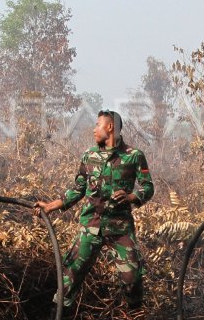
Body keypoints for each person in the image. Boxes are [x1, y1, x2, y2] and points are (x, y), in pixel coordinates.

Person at [37, 109, 154, 309]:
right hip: (91, 225)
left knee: (132, 277)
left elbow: (147, 186)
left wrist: (131, 197)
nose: (94, 130)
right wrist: (52, 206)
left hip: (120, 228)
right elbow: (78, 188)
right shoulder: (89, 156)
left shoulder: (134, 156)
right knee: (70, 274)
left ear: (110, 127)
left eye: (97, 125)